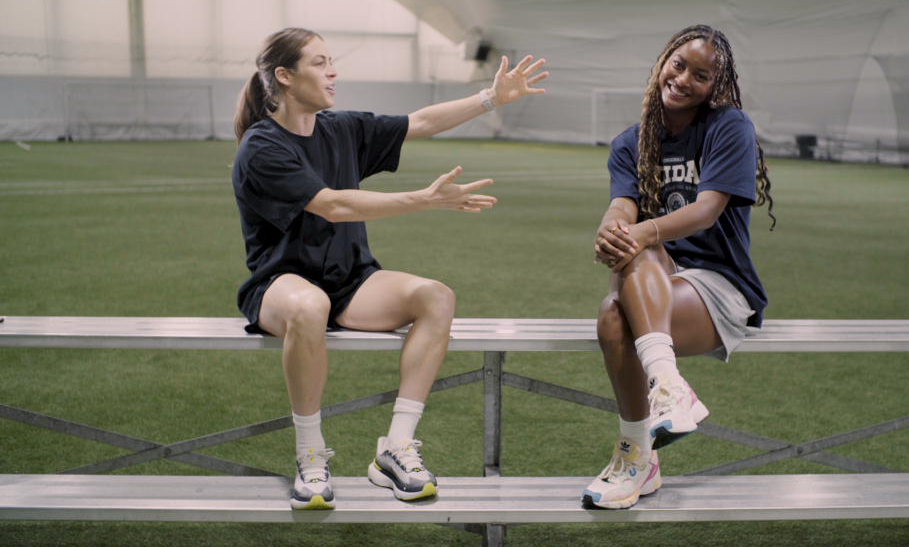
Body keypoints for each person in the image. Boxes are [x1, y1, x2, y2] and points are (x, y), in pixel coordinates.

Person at [231, 28, 547, 509]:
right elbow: (333, 205)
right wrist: (423, 200)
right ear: (284, 76)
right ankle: (310, 456)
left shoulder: (340, 128)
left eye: (331, 60)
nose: (333, 71)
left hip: (350, 281)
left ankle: (395, 449)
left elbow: (418, 121)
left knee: (436, 297)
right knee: (310, 305)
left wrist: (489, 98)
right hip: (281, 285)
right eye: (319, 62)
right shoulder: (261, 147)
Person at [582, 25, 774, 510]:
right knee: (617, 296)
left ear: (716, 86)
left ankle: (637, 456)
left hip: (719, 285)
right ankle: (665, 395)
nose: (684, 79)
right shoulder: (632, 142)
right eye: (679, 64)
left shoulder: (730, 127)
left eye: (701, 75)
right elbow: (622, 206)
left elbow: (707, 208)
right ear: (664, 61)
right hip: (656, 278)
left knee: (616, 309)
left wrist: (638, 232)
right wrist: (611, 227)